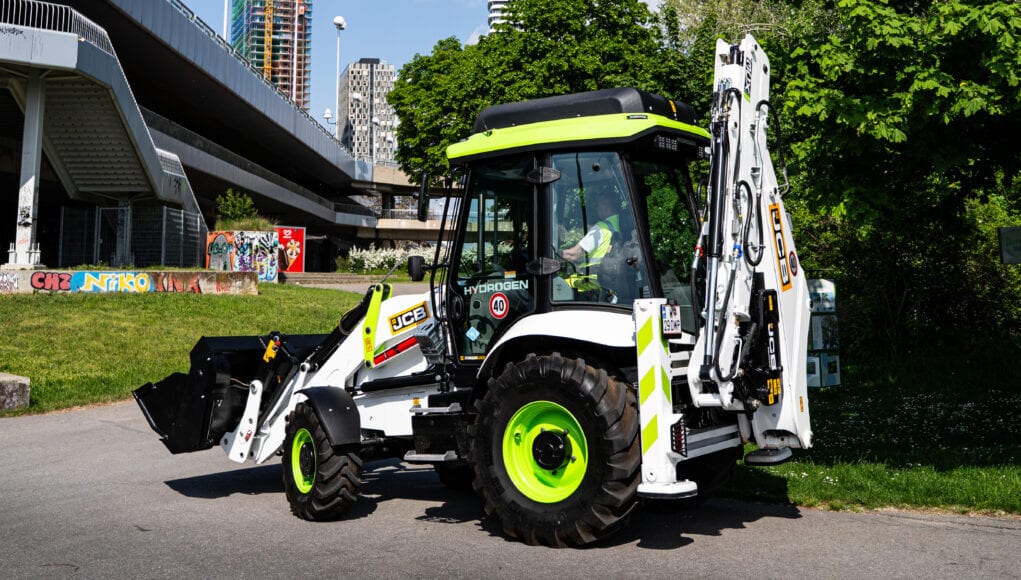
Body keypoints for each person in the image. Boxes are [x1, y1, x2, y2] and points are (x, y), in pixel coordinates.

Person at [561, 192, 620, 265]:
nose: (597, 208)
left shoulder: (601, 228)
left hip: (589, 274)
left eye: (600, 204)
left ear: (609, 207)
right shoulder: (619, 224)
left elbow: (573, 254)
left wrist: (553, 256)